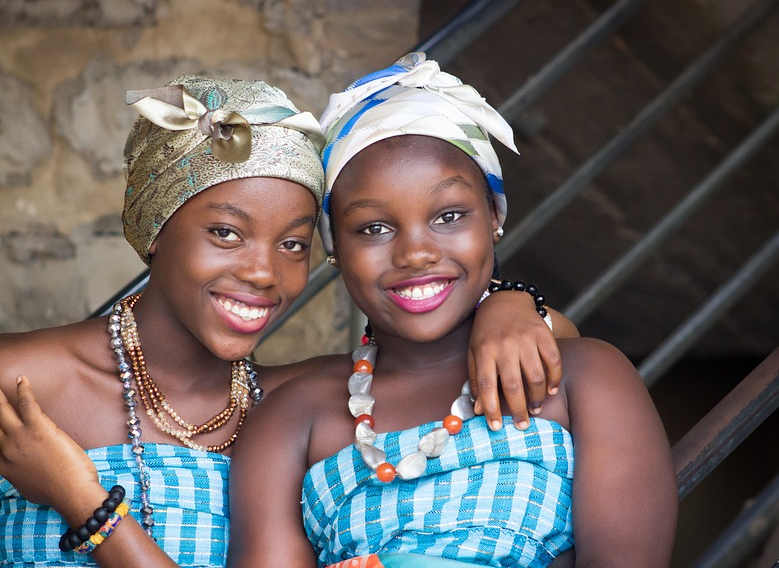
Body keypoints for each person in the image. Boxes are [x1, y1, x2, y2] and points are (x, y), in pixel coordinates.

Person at [0, 73, 572, 568]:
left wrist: (508, 303)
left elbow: (557, 347)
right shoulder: (18, 383)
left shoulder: (306, 406)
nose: (264, 272)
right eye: (226, 233)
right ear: (153, 230)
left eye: (294, 244)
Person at [226, 53, 678, 568]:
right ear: (334, 248)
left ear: (493, 217)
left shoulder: (584, 378)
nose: (415, 253)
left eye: (448, 215)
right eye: (373, 228)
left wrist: (513, 300)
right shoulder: (293, 418)